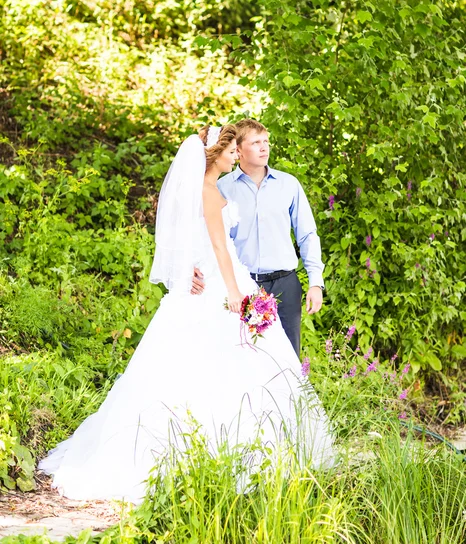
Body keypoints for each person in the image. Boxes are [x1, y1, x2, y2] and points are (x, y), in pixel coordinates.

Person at [38, 125, 334, 504]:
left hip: (254, 279)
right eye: (230, 151)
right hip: (223, 283)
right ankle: (226, 450)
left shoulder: (240, 187)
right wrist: (230, 290)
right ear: (218, 155)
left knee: (262, 362)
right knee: (218, 364)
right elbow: (216, 245)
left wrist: (199, 270)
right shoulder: (213, 191)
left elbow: (191, 238)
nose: (234, 157)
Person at [191, 119, 324, 357]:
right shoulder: (221, 188)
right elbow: (210, 239)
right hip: (244, 286)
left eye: (266, 141)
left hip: (285, 285)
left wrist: (315, 282)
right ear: (238, 150)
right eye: (256, 143)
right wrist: (192, 266)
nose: (264, 147)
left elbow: (308, 235)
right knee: (246, 359)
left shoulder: (289, 185)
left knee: (289, 358)